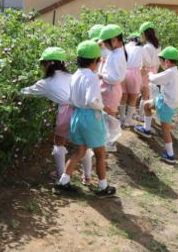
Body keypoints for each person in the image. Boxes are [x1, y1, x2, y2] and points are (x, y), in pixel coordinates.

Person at [20, 47, 93, 183]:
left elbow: (25, 92)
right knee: (84, 144)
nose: (42, 67)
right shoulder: (72, 76)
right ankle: (87, 176)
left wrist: (16, 90)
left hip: (66, 111)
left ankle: (60, 174)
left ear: (47, 64)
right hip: (82, 110)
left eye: (42, 64)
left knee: (59, 142)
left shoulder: (45, 83)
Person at [55, 40, 116, 197]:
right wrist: (104, 107)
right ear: (95, 60)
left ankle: (63, 182)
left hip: (77, 116)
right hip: (90, 118)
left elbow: (70, 98)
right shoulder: (92, 77)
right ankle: (103, 187)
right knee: (100, 154)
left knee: (79, 152)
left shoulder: (75, 75)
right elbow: (91, 101)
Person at [134, 47, 178, 164]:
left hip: (167, 104)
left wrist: (149, 73)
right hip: (165, 100)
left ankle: (170, 155)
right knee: (146, 105)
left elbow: (154, 80)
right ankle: (146, 129)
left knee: (165, 130)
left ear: (166, 61)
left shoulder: (170, 73)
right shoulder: (175, 71)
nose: (160, 64)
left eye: (161, 61)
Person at [98, 24, 127, 152]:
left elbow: (116, 77)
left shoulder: (117, 55)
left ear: (114, 40)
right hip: (110, 88)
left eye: (106, 43)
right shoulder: (116, 52)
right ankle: (109, 140)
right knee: (108, 115)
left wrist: (101, 75)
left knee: (109, 116)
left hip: (111, 89)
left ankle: (110, 142)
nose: (105, 46)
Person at [138, 22, 161, 120]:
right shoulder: (157, 45)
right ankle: (146, 114)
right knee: (149, 93)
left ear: (144, 34)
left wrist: (140, 68)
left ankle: (142, 115)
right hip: (154, 70)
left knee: (144, 95)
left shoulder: (146, 47)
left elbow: (145, 62)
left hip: (146, 71)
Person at [120, 31, 144, 127]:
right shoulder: (139, 48)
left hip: (123, 72)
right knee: (133, 97)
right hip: (134, 72)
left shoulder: (124, 47)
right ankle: (128, 120)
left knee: (123, 96)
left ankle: (122, 118)